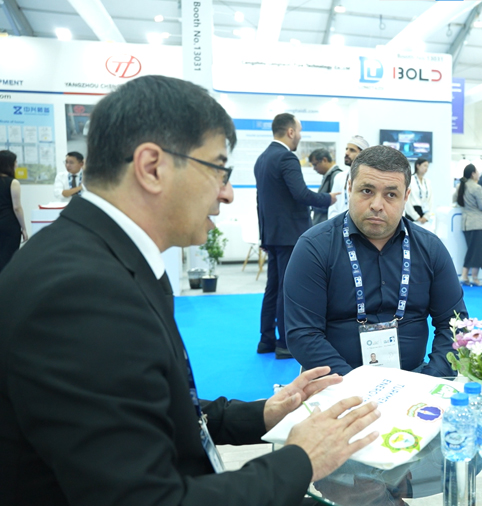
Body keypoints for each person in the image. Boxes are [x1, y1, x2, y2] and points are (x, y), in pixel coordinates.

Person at [0, 75, 381, 506]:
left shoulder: (108, 260)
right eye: (218, 169)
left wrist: (261, 413)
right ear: (152, 168)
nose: (227, 194)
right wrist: (303, 459)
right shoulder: (79, 293)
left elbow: (152, 408)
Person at [284, 145, 467, 377]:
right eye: (367, 191)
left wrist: (431, 380)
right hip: (338, 382)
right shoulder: (314, 247)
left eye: (391, 195)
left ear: (406, 197)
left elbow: (455, 324)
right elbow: (303, 334)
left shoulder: (430, 249)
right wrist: (356, 388)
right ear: (349, 187)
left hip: (415, 377)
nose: (377, 205)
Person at [254, 113, 336, 359]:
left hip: (272, 235)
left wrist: (264, 236)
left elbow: (261, 201)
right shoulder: (286, 158)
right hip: (290, 236)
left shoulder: (262, 158)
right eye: (299, 131)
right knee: (286, 289)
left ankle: (266, 340)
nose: (299, 136)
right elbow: (301, 194)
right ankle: (284, 344)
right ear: (290, 132)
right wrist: (329, 198)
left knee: (272, 288)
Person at [457, 163, 482, 287]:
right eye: (477, 171)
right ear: (473, 174)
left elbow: (456, 200)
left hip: (466, 223)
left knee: (471, 250)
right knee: (477, 252)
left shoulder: (461, 186)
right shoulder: (476, 187)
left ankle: (465, 275)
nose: (478, 174)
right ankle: (474, 277)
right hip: (477, 223)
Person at [328, 135, 368, 221]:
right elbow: (333, 207)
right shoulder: (339, 177)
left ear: (362, 154)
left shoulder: (369, 178)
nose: (346, 153)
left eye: (352, 150)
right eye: (346, 149)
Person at [0, 150, 27, 271]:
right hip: (8, 224)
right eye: (15, 162)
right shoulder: (13, 182)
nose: (16, 164)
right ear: (9, 164)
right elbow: (17, 207)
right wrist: (24, 228)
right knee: (8, 257)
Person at [309, 148, 343, 226]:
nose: (314, 168)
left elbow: (336, 204)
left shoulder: (336, 176)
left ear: (324, 160)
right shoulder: (328, 176)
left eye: (315, 164)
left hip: (328, 224)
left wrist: (316, 204)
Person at [404, 157, 434, 231]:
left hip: (424, 213)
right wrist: (416, 217)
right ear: (418, 165)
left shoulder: (427, 182)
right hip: (412, 214)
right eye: (424, 165)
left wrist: (426, 216)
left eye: (427, 166)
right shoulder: (410, 180)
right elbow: (407, 201)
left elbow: (430, 200)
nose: (426, 168)